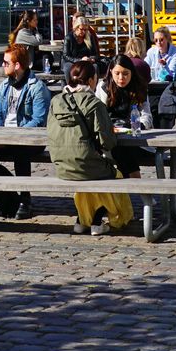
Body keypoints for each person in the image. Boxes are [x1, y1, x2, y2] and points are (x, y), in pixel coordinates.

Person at [0, 43, 50, 218]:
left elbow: (39, 121)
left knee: (21, 152)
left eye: (6, 63)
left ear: (18, 66)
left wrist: (15, 136)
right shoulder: (4, 86)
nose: (3, 66)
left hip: (30, 140)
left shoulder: (37, 88)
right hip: (5, 138)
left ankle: (24, 200)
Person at [50, 58, 129, 234]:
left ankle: (82, 219)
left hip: (62, 166)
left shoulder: (56, 101)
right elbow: (107, 142)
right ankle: (98, 218)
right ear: (92, 81)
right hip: (85, 165)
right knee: (114, 174)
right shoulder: (94, 103)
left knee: (88, 173)